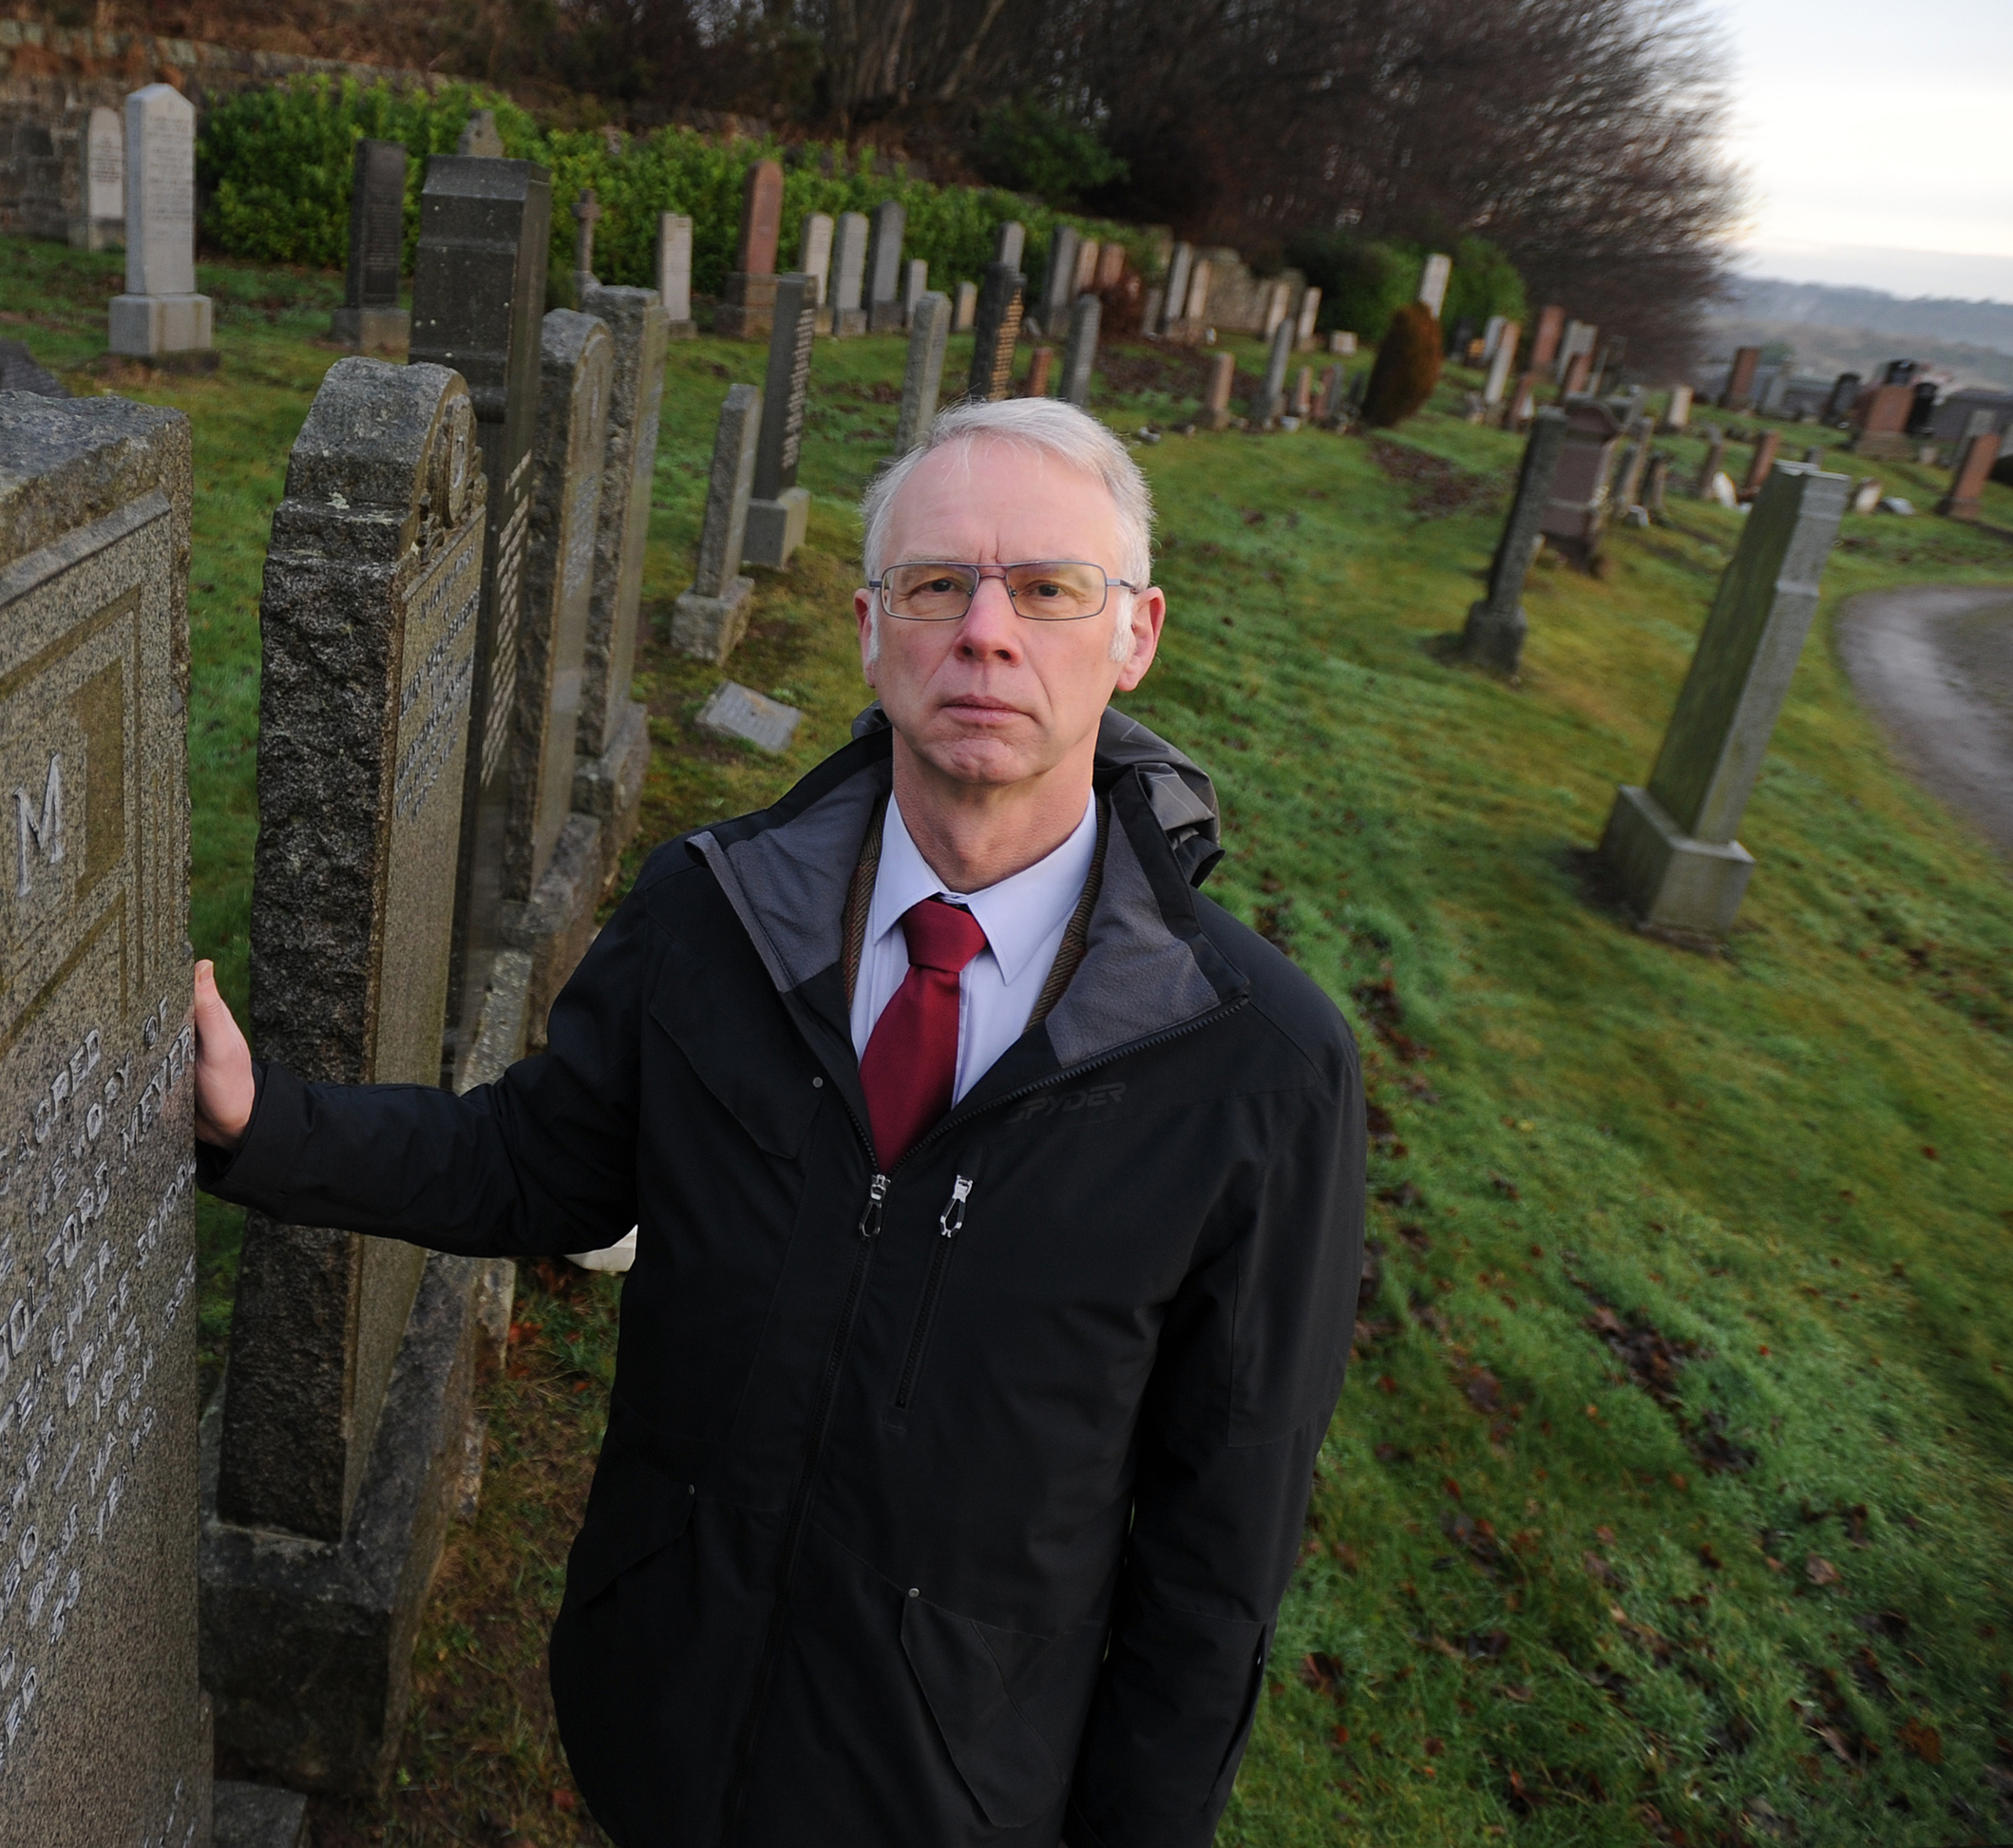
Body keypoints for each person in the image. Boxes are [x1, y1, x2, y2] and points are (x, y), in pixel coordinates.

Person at [191, 396, 1365, 1847]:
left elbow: (1217, 1548)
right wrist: (259, 1124)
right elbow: (535, 1165)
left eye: (1048, 590)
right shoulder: (716, 915)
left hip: (945, 1790)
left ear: (1135, 634)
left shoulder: (1256, 1065)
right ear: (872, 631)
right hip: (664, 1710)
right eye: (937, 586)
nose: (984, 634)